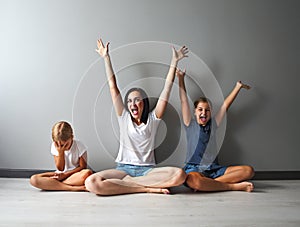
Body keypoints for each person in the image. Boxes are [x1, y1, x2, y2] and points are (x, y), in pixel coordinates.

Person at [84, 38, 188, 195]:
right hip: (123, 169)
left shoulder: (153, 119)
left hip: (148, 171)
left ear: (144, 103)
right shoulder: (123, 117)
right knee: (91, 183)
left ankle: (127, 185)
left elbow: (166, 89)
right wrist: (106, 58)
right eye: (130, 101)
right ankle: (145, 188)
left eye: (137, 100)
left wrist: (174, 61)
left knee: (180, 175)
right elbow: (113, 86)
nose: (133, 104)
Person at [176, 68, 255, 192]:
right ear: (195, 112)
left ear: (211, 112)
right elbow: (183, 100)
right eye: (200, 109)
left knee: (248, 171)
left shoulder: (213, 124)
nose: (203, 113)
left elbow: (225, 106)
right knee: (193, 180)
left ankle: (208, 185)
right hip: (195, 168)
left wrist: (237, 87)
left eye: (207, 110)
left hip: (214, 169)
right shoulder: (189, 124)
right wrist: (180, 79)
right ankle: (232, 186)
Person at [30, 121, 93, 191]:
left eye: (64, 145)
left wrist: (65, 175)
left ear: (72, 137)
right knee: (34, 179)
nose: (61, 147)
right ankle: (71, 188)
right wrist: (61, 152)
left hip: (74, 175)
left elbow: (83, 167)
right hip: (60, 174)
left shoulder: (79, 146)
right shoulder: (55, 146)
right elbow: (60, 168)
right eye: (58, 144)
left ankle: (54, 185)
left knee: (87, 173)